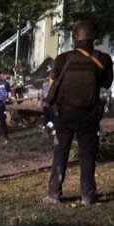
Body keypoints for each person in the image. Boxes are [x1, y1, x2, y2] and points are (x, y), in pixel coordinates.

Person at [43, 20, 113, 206]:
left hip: (64, 115)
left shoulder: (62, 59)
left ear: (75, 37)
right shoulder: (103, 59)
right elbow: (106, 84)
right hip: (88, 116)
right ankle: (87, 195)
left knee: (60, 152)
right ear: (94, 37)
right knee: (87, 154)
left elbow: (53, 80)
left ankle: (53, 194)